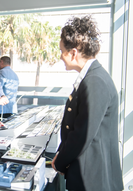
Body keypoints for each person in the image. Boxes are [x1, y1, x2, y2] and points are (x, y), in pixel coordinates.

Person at [51, 16, 123, 191]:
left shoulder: (95, 81)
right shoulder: (92, 77)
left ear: (73, 53)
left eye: (62, 51)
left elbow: (81, 135)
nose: (60, 56)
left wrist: (60, 162)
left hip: (93, 179)